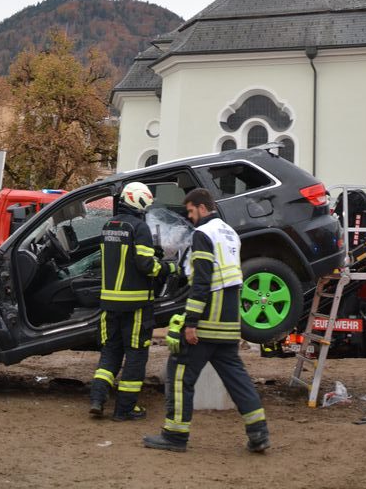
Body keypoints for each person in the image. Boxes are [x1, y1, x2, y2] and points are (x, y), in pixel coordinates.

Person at [143, 187, 270, 454]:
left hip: (208, 318)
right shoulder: (229, 232)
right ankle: (259, 433)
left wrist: (191, 323)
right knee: (237, 377)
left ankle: (175, 436)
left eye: (190, 212)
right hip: (229, 319)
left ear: (202, 207)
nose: (190, 218)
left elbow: (202, 280)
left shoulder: (203, 234)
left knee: (179, 373)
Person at [89, 180, 174, 421]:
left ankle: (97, 398)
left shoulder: (108, 226)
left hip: (109, 303)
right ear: (138, 201)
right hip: (136, 304)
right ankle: (125, 409)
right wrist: (168, 268)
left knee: (111, 352)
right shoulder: (140, 228)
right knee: (136, 354)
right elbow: (146, 265)